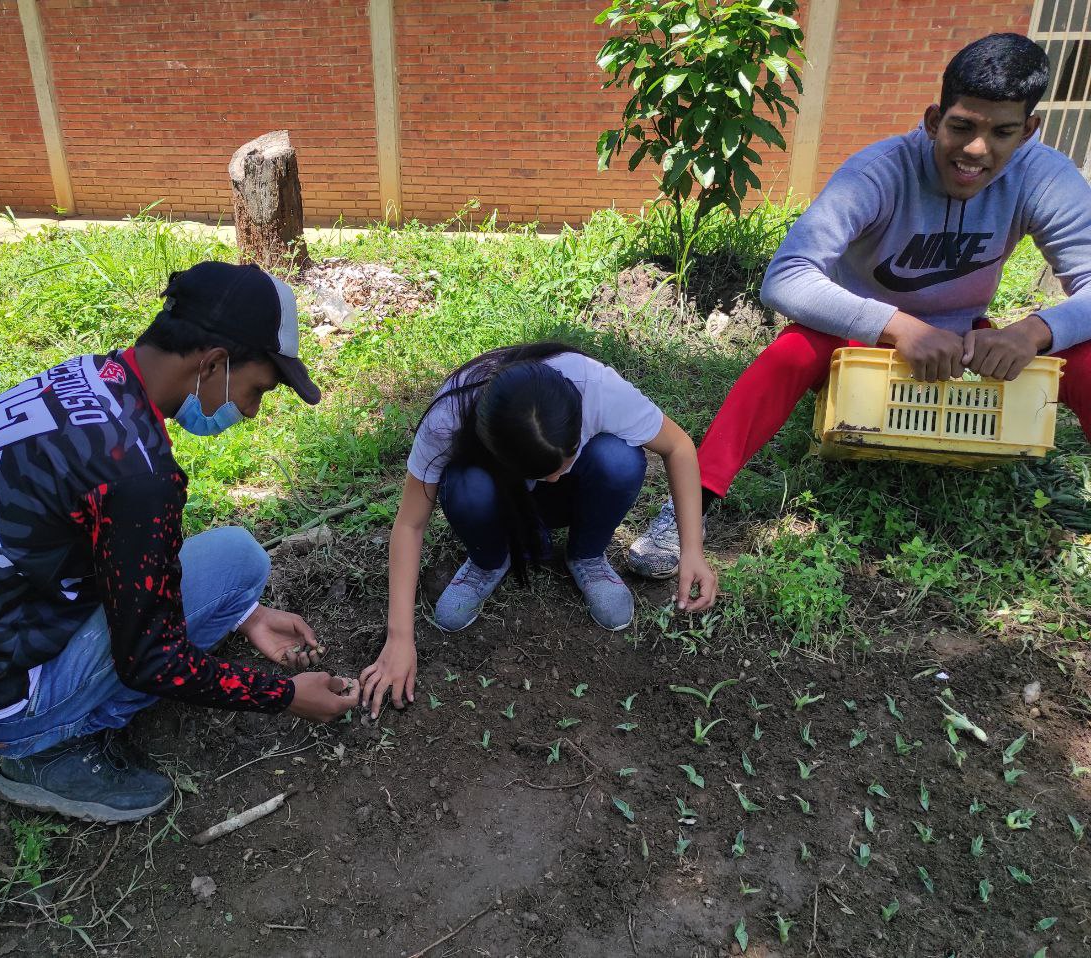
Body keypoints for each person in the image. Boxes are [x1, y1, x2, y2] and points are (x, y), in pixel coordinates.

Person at [0, 262, 359, 823]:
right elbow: (152, 662)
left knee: (235, 567)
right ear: (213, 363)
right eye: (257, 389)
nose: (251, 411)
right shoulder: (138, 474)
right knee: (230, 566)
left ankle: (35, 719)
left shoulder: (91, 377)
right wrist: (285, 696)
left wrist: (243, 616)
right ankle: (41, 750)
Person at [627, 32, 1091, 578]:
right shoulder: (880, 171)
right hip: (862, 336)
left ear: (1028, 131)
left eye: (1003, 132)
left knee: (1083, 356)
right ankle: (690, 509)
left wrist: (1030, 332)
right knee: (789, 354)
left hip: (963, 339)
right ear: (932, 118)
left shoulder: (1043, 175)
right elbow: (785, 279)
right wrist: (897, 327)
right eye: (961, 126)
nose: (976, 151)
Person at [357, 342, 717, 717]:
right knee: (466, 488)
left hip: (571, 498)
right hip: (502, 499)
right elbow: (410, 523)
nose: (556, 475)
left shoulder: (595, 386)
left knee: (620, 460)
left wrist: (691, 548)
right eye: (547, 471)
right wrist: (399, 638)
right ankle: (490, 560)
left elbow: (678, 447)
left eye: (567, 455)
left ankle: (587, 555)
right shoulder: (449, 417)